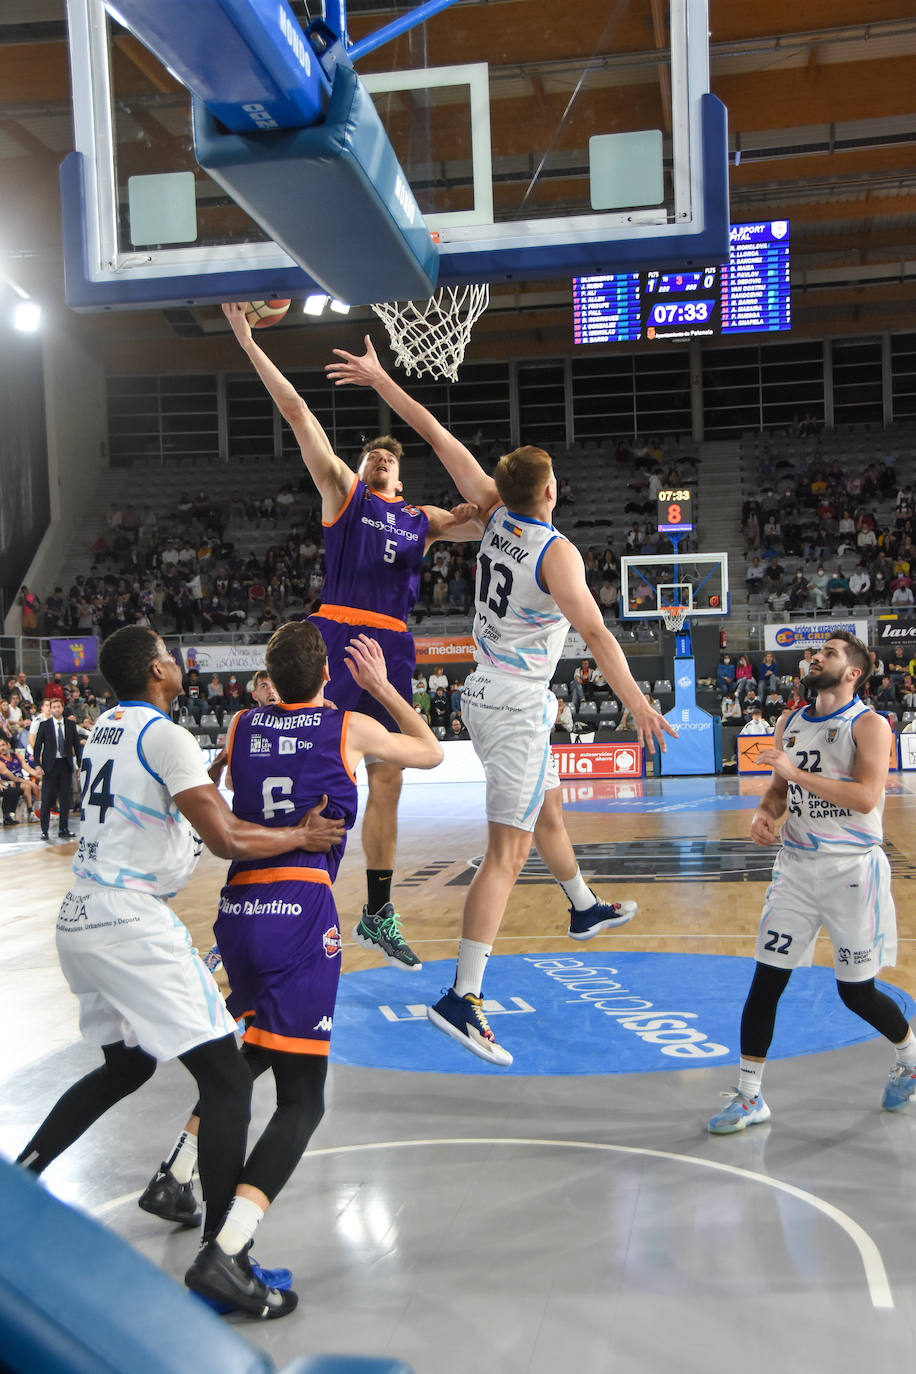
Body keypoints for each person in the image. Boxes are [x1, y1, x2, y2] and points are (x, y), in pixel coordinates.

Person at [327, 336, 674, 1065]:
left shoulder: (492, 514)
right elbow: (600, 637)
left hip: (489, 691)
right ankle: (464, 996)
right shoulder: (557, 552)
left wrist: (382, 379)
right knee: (505, 856)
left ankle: (582, 908)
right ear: (550, 492)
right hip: (514, 705)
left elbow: (431, 430)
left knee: (544, 810)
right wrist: (639, 704)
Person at [16, 624, 347, 1318]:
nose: (176, 661)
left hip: (78, 912)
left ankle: (22, 1178)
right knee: (228, 1082)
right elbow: (226, 838)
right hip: (129, 918)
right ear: (155, 672)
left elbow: (169, 807)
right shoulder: (165, 735)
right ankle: (228, 1260)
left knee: (127, 1066)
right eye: (168, 654)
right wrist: (301, 837)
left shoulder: (106, 724)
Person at [139, 625, 443, 1298]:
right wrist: (382, 687)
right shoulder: (348, 726)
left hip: (238, 908)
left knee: (253, 1052)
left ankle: (177, 1168)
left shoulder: (243, 723)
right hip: (299, 910)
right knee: (303, 1101)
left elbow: (213, 791)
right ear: (330, 673)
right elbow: (430, 752)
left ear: (267, 676)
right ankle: (228, 1247)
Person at [224, 301, 480, 972]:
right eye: (368, 457)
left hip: (393, 645)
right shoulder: (344, 495)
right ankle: (257, 898)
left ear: (401, 476)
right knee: (309, 769)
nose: (374, 464)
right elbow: (299, 415)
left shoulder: (422, 519)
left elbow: (489, 515)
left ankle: (378, 910)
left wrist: (472, 506)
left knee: (389, 779)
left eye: (385, 462)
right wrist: (247, 340)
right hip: (336, 631)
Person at [707, 631, 916, 1133]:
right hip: (796, 869)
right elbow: (779, 790)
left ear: (852, 673)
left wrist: (794, 774)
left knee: (856, 993)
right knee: (766, 983)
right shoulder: (791, 720)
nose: (815, 658)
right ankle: (750, 1096)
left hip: (853, 872)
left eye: (829, 654)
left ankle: (908, 1056)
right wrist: (764, 812)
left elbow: (866, 798)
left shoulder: (869, 724)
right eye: (816, 651)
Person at [34, 698, 81, 841]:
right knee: (47, 798)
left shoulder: (71, 725)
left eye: (58, 706)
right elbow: (37, 747)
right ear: (50, 709)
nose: (56, 709)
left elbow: (77, 747)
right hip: (50, 766)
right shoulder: (44, 725)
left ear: (62, 708)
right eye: (53, 707)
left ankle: (63, 829)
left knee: (65, 799)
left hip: (65, 764)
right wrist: (37, 764)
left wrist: (79, 765)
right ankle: (44, 830)